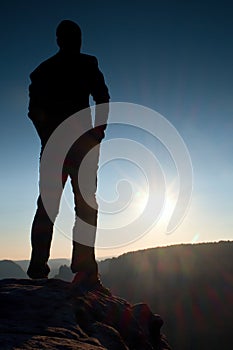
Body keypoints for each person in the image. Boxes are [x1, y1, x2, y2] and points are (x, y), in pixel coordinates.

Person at [27, 20, 110, 289]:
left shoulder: (43, 71)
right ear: (72, 40)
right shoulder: (87, 64)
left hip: (59, 146)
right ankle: (83, 266)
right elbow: (103, 98)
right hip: (82, 145)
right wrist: (98, 133)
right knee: (85, 205)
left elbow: (33, 110)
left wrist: (47, 137)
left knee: (49, 205)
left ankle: (39, 265)